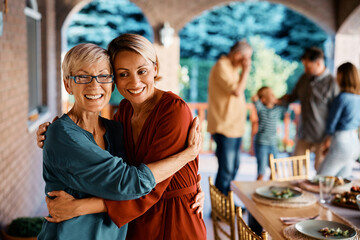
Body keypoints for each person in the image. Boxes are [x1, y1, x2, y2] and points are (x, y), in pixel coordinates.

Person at [37, 34, 206, 239]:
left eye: (142, 71)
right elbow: (129, 179)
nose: (134, 82)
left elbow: (143, 184)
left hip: (173, 220)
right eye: (123, 74)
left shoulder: (170, 111)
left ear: (155, 68)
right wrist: (56, 133)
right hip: (134, 221)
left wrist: (81, 207)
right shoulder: (123, 114)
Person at [281, 47, 339, 170]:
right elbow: (292, 97)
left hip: (322, 137)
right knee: (296, 169)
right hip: (304, 134)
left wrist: (330, 137)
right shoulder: (304, 78)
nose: (305, 70)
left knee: (321, 171)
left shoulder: (332, 84)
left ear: (318, 63)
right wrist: (275, 100)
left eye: (308, 66)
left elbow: (337, 113)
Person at [207, 40, 253, 195]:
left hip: (235, 127)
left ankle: (226, 202)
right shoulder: (222, 66)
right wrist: (246, 71)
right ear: (238, 55)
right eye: (247, 58)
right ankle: (220, 208)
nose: (248, 62)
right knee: (226, 169)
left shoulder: (233, 68)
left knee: (234, 167)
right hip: (224, 127)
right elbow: (237, 91)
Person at [317, 62, 360, 178]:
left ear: (342, 76)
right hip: (354, 143)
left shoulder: (341, 98)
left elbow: (332, 123)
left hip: (341, 142)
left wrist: (327, 142)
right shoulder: (358, 98)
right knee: (342, 180)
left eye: (338, 74)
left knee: (321, 179)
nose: (336, 77)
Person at [252, 86, 287, 180]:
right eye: (271, 95)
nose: (274, 96)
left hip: (273, 143)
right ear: (263, 99)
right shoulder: (261, 109)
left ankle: (270, 188)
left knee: (274, 169)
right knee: (261, 171)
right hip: (261, 143)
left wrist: (280, 100)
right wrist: (259, 97)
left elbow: (286, 104)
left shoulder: (278, 109)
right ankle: (258, 189)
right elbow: (255, 99)